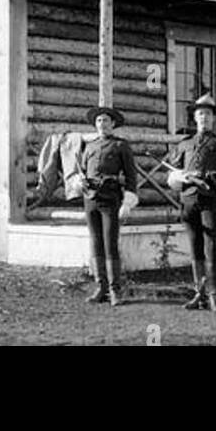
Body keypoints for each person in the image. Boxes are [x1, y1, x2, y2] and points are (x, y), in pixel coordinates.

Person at [166, 94, 216, 313]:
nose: (203, 117)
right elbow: (171, 174)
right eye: (200, 114)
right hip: (188, 200)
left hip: (211, 200)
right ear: (194, 118)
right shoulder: (185, 143)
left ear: (213, 118)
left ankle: (214, 293)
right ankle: (200, 293)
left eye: (207, 113)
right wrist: (180, 178)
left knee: (211, 246)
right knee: (195, 247)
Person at [80, 104, 138, 306]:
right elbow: (82, 171)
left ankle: (115, 289)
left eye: (106, 120)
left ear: (113, 124)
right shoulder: (89, 146)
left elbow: (131, 176)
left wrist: (127, 202)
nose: (102, 124)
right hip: (91, 199)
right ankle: (101, 287)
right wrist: (81, 183)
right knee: (95, 242)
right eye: (98, 121)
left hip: (111, 198)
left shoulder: (121, 146)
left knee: (110, 242)